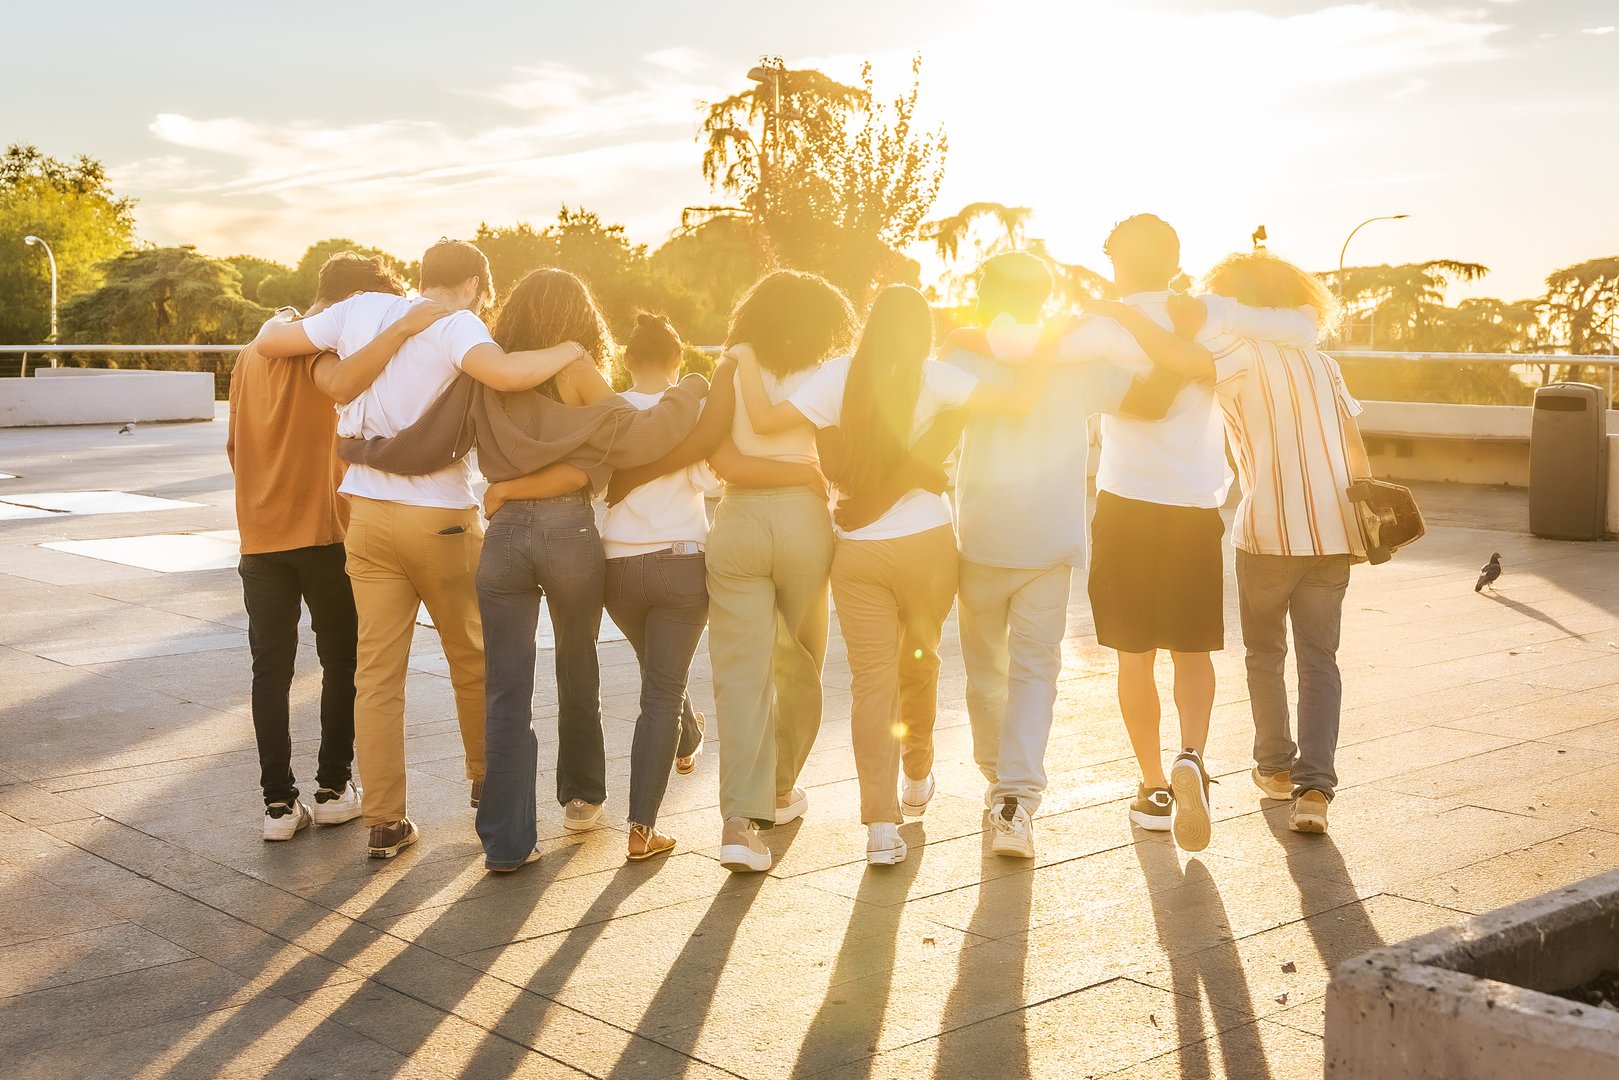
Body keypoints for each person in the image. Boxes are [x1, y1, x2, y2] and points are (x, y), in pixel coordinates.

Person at [338, 268, 710, 872]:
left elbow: (428, 441)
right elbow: (639, 438)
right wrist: (691, 390)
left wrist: (358, 450)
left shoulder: (485, 370)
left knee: (506, 691)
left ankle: (507, 843)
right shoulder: (576, 369)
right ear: (579, 316)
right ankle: (582, 799)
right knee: (577, 665)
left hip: (504, 541)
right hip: (570, 535)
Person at [249, 239, 587, 861]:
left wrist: (280, 320)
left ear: (423, 276)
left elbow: (273, 344)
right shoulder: (459, 324)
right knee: (472, 659)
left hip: (367, 518)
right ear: (477, 285)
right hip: (441, 519)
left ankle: (383, 821)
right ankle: (487, 791)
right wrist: (572, 348)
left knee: (376, 673)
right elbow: (508, 375)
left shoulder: (362, 310)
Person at [734, 284, 1056, 866]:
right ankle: (918, 773)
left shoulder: (837, 374)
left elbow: (762, 415)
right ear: (923, 329)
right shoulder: (935, 376)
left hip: (858, 553)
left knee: (870, 686)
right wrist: (1046, 341)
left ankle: (881, 829)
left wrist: (746, 357)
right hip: (929, 546)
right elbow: (1019, 403)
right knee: (921, 662)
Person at [1083, 249, 1365, 835]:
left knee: (1265, 655)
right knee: (1320, 659)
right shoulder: (1324, 361)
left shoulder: (1234, 353)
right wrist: (1363, 518)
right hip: (1334, 529)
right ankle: (1314, 792)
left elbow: (1172, 360)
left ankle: (1273, 769)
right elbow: (1354, 446)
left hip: (1265, 529)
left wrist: (1129, 317)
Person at [942, 252, 1184, 860]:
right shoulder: (1077, 360)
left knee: (985, 675)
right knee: (1033, 673)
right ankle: (1014, 799)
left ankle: (1004, 787)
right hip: (1049, 538)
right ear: (1046, 300)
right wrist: (1186, 346)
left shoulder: (964, 352)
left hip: (980, 537)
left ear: (983, 294)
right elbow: (1153, 399)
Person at [228, 252, 446, 841]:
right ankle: (331, 789)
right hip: (325, 531)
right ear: (354, 304)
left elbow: (234, 444)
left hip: (260, 534)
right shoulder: (328, 354)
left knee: (268, 671)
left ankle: (277, 806)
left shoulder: (253, 354)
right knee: (343, 663)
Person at [701, 271, 855, 874]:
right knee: (802, 660)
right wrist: (809, 477)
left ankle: (739, 823)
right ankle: (781, 790)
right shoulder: (832, 370)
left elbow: (719, 457)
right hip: (804, 526)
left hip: (737, 523)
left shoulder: (731, 368)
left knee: (739, 676)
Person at [589, 312, 719, 861]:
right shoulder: (686, 410)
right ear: (676, 361)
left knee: (659, 673)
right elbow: (711, 480)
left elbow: (594, 488)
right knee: (662, 690)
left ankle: (687, 737)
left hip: (617, 571)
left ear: (626, 360)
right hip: (679, 563)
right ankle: (642, 827)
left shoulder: (608, 411)